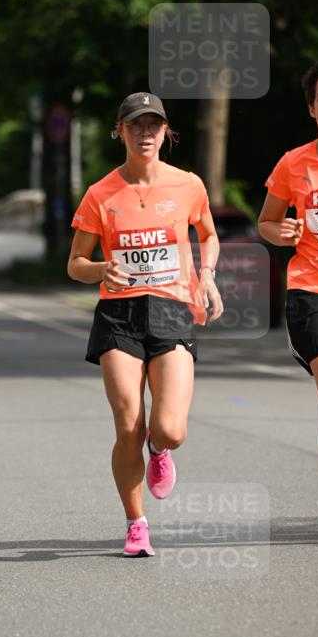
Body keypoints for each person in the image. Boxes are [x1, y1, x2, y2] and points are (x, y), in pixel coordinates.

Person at [67, 92, 223, 558]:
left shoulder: (187, 185)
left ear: (165, 131)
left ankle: (160, 450)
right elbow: (76, 263)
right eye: (135, 125)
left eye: (153, 124)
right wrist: (101, 269)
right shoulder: (100, 194)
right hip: (119, 314)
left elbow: (208, 234)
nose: (145, 133)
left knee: (170, 429)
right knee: (128, 426)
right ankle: (136, 524)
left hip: (171, 309)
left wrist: (207, 277)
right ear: (120, 132)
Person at [259, 60, 318, 546]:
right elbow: (267, 222)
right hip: (314, 289)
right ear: (311, 108)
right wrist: (282, 231)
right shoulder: (294, 163)